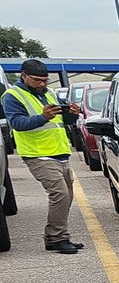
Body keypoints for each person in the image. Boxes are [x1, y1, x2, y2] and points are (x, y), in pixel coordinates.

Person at [2, 58, 85, 253]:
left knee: (67, 196)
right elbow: (17, 123)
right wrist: (43, 117)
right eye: (37, 80)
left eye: (45, 80)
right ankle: (57, 238)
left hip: (60, 151)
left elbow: (64, 120)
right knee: (60, 194)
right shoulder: (12, 96)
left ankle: (55, 237)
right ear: (23, 76)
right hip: (37, 154)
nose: (42, 84)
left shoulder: (50, 93)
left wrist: (72, 113)